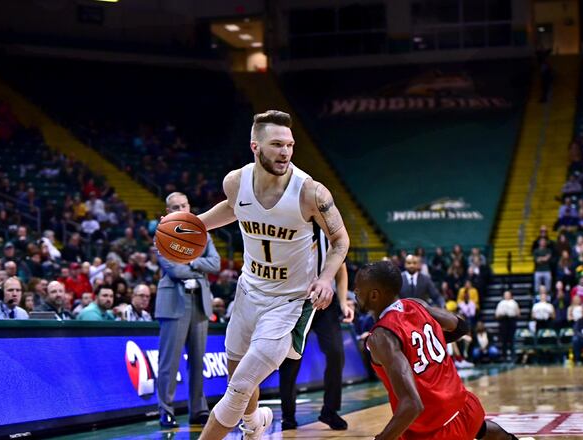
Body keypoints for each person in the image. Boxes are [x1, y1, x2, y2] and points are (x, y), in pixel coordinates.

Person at [196, 110, 350, 440]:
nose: (285, 152)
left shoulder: (311, 192)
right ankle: (254, 425)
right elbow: (232, 207)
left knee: (238, 387)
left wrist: (325, 279)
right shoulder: (236, 182)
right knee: (237, 377)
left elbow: (340, 240)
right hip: (249, 290)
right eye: (277, 144)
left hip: (289, 301)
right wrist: (194, 226)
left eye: (290, 145)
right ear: (256, 146)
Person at [353, 261, 531, 440]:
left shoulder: (381, 336)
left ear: (374, 295)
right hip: (463, 409)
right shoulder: (417, 305)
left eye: (358, 289)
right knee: (481, 430)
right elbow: (461, 326)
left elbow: (412, 405)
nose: (355, 292)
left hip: (435, 429)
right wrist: (426, 346)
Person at [156, 192, 220, 428]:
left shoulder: (202, 234)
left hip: (199, 302)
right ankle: (166, 411)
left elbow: (215, 263)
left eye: (183, 205)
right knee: (169, 363)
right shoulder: (162, 234)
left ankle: (199, 410)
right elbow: (174, 271)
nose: (180, 209)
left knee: (197, 361)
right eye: (175, 207)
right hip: (173, 302)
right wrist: (198, 266)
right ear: (168, 210)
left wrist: (190, 262)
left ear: (190, 206)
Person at [279, 254, 353, 431]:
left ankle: (330, 410)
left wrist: (343, 303)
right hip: (297, 301)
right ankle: (287, 416)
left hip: (326, 303)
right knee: (291, 358)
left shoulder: (329, 231)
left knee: (336, 353)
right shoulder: (295, 232)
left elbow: (340, 268)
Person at [495, 290, 520, 358]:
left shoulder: (514, 303)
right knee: (504, 340)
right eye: (505, 295)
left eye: (508, 294)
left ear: (511, 295)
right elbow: (496, 315)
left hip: (511, 321)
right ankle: (504, 356)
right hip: (503, 321)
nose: (507, 296)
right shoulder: (501, 303)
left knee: (512, 339)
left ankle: (512, 355)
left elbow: (518, 314)